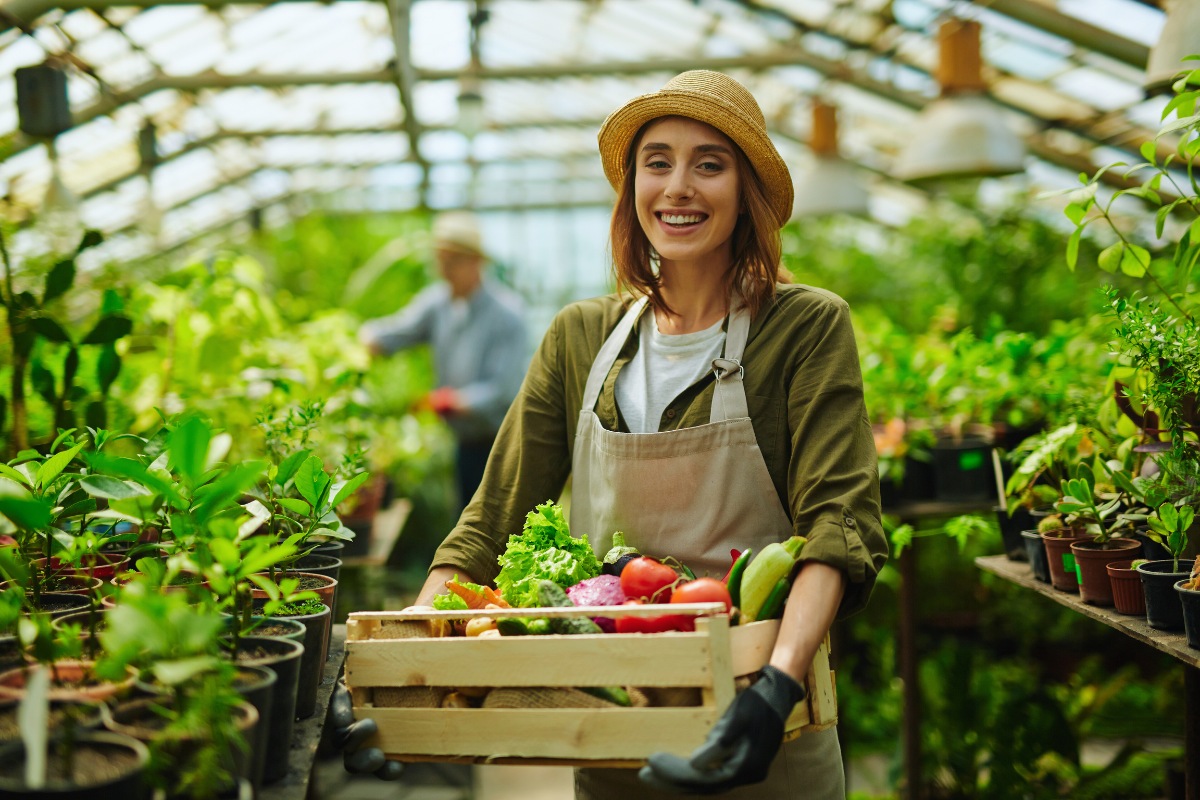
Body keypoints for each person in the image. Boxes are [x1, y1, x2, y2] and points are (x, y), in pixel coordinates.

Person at [336, 71, 888, 798]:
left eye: (709, 164)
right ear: (632, 188)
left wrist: (778, 686)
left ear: (746, 190)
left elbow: (838, 526)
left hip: (760, 727)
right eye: (656, 162)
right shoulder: (580, 337)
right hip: (611, 727)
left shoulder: (804, 326)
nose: (678, 187)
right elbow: (488, 524)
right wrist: (403, 669)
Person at [358, 211, 527, 510]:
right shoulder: (438, 303)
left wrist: (452, 401)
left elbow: (504, 388)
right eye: (440, 260)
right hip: (465, 441)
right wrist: (364, 338)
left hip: (503, 444)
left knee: (499, 522)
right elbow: (399, 331)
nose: (444, 270)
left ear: (476, 262)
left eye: (453, 261)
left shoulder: (507, 314)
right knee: (467, 515)